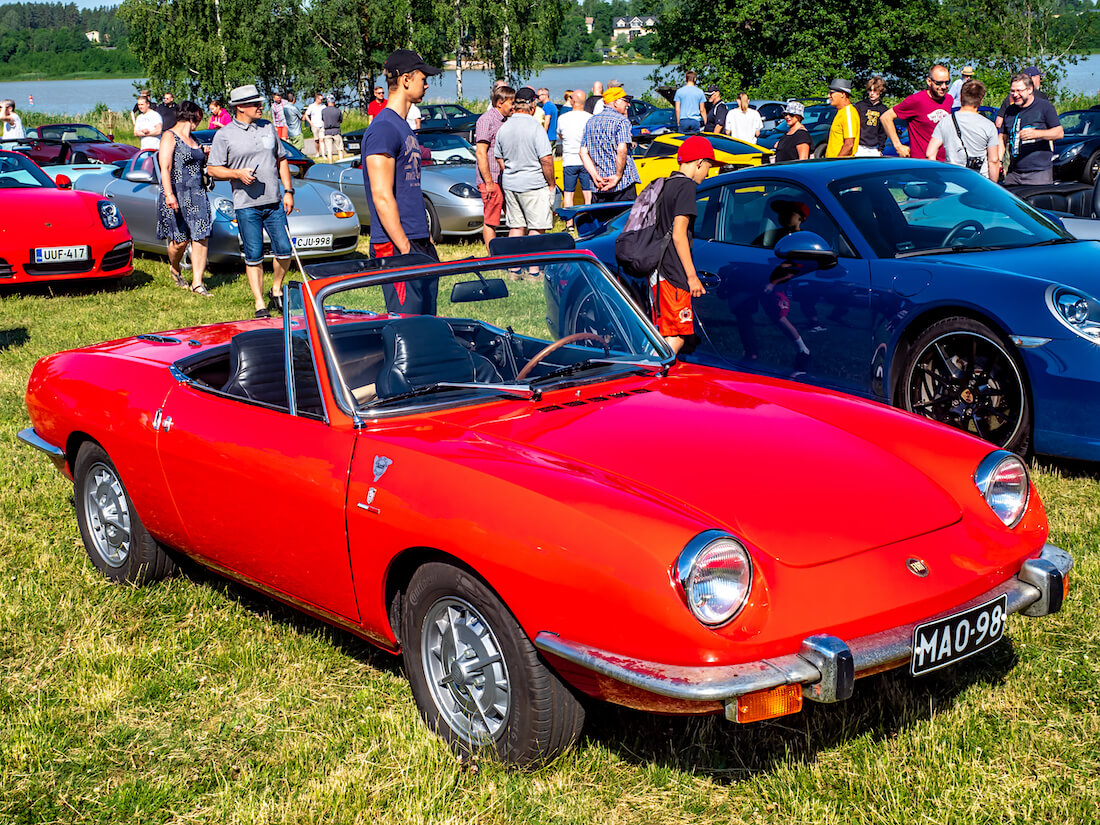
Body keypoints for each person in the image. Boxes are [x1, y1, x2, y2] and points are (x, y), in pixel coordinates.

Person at [361, 49, 442, 315]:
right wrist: (405, 248)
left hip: (416, 239)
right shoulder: (384, 128)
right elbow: (382, 196)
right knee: (408, 324)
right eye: (423, 77)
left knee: (428, 320)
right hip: (396, 245)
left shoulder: (402, 125)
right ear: (406, 79)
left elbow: (409, 188)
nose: (427, 84)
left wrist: (423, 236)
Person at [207, 84, 295, 319]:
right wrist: (237, 174)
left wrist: (288, 191)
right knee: (254, 254)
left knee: (284, 250)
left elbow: (282, 159)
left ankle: (276, 288)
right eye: (256, 103)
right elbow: (213, 169)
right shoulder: (224, 135)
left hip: (274, 202)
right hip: (246, 205)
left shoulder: (268, 127)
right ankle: (259, 303)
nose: (261, 106)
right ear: (240, 108)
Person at [650, 135, 716, 354]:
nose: (709, 173)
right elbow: (679, 234)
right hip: (673, 273)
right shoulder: (686, 187)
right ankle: (653, 377)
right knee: (677, 336)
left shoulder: (668, 183)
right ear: (699, 162)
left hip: (658, 269)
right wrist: (691, 276)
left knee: (665, 332)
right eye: (709, 166)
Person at [156, 100, 213, 297]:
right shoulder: (169, 136)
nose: (201, 120)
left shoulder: (195, 139)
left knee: (201, 235)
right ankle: (175, 267)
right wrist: (169, 194)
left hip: (197, 192)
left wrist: (204, 153)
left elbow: (197, 162)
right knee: (180, 241)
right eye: (200, 116)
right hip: (176, 193)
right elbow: (165, 168)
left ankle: (197, 282)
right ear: (193, 115)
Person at [494, 86, 555, 241]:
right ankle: (534, 266)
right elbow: (546, 158)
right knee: (536, 227)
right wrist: (551, 183)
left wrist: (510, 171)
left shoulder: (504, 127)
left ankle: (514, 265)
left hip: (511, 184)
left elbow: (499, 158)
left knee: (516, 226)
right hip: (533, 184)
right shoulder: (536, 127)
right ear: (533, 106)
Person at [926, 79, 1001, 182]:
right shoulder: (988, 126)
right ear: (981, 100)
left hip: (952, 182)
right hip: (980, 183)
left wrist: (937, 179)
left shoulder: (945, 121)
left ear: (960, 97)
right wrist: (993, 186)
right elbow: (993, 160)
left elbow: (930, 153)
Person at [580, 86, 640, 203]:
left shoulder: (591, 121)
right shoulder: (621, 121)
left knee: (602, 220)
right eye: (625, 101)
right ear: (616, 102)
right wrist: (617, 176)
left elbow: (583, 152)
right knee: (624, 220)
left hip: (599, 185)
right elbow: (622, 150)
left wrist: (595, 176)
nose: (627, 105)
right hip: (622, 186)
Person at [881, 65, 954, 161]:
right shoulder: (916, 100)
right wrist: (898, 146)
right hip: (922, 164)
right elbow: (886, 117)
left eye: (947, 82)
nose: (944, 87)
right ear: (929, 81)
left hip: (945, 163)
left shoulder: (949, 100)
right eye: (939, 83)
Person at [1000, 72, 1063, 185]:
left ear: (1030, 90)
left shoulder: (1044, 107)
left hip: (1038, 172)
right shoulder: (1010, 110)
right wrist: (999, 160)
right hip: (1014, 172)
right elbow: (1003, 137)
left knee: (1037, 202)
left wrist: (1037, 134)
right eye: (1013, 91)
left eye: (1019, 91)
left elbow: (1059, 133)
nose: (1015, 94)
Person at [475, 85, 515, 248]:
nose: (513, 106)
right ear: (500, 102)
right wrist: (489, 182)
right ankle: (493, 259)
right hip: (491, 179)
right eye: (511, 102)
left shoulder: (506, 121)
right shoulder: (487, 120)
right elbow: (481, 153)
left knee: (515, 218)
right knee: (492, 221)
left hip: (505, 178)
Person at [558, 89, 594, 230]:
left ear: (572, 101)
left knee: (568, 193)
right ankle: (589, 219)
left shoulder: (563, 119)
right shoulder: (590, 117)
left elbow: (560, 135)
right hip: (586, 160)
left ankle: (569, 224)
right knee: (587, 192)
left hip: (569, 160)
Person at [825, 78, 859, 158]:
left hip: (839, 165)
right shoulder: (841, 112)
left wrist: (836, 162)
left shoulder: (849, 113)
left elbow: (849, 144)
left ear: (842, 94)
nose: (829, 96)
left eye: (831, 93)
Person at [854, 75, 887, 156]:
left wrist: (880, 149)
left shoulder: (884, 110)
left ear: (880, 91)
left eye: (875, 91)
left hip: (874, 148)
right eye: (870, 90)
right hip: (859, 147)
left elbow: (883, 132)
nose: (872, 93)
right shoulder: (860, 106)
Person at [321, 95, 343, 162]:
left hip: (327, 132)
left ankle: (330, 163)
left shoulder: (323, 111)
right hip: (336, 131)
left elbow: (323, 119)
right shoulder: (338, 111)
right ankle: (341, 162)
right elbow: (341, 120)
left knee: (329, 150)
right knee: (340, 149)